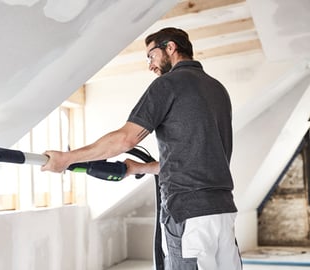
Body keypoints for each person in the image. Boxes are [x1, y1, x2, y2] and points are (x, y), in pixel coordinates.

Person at [41, 27, 241, 270]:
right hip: (223, 212)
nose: (150, 65)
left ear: (170, 47)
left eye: (151, 55)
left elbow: (125, 139)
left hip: (188, 214)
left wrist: (66, 158)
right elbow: (193, 160)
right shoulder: (217, 89)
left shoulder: (167, 85)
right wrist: (140, 167)